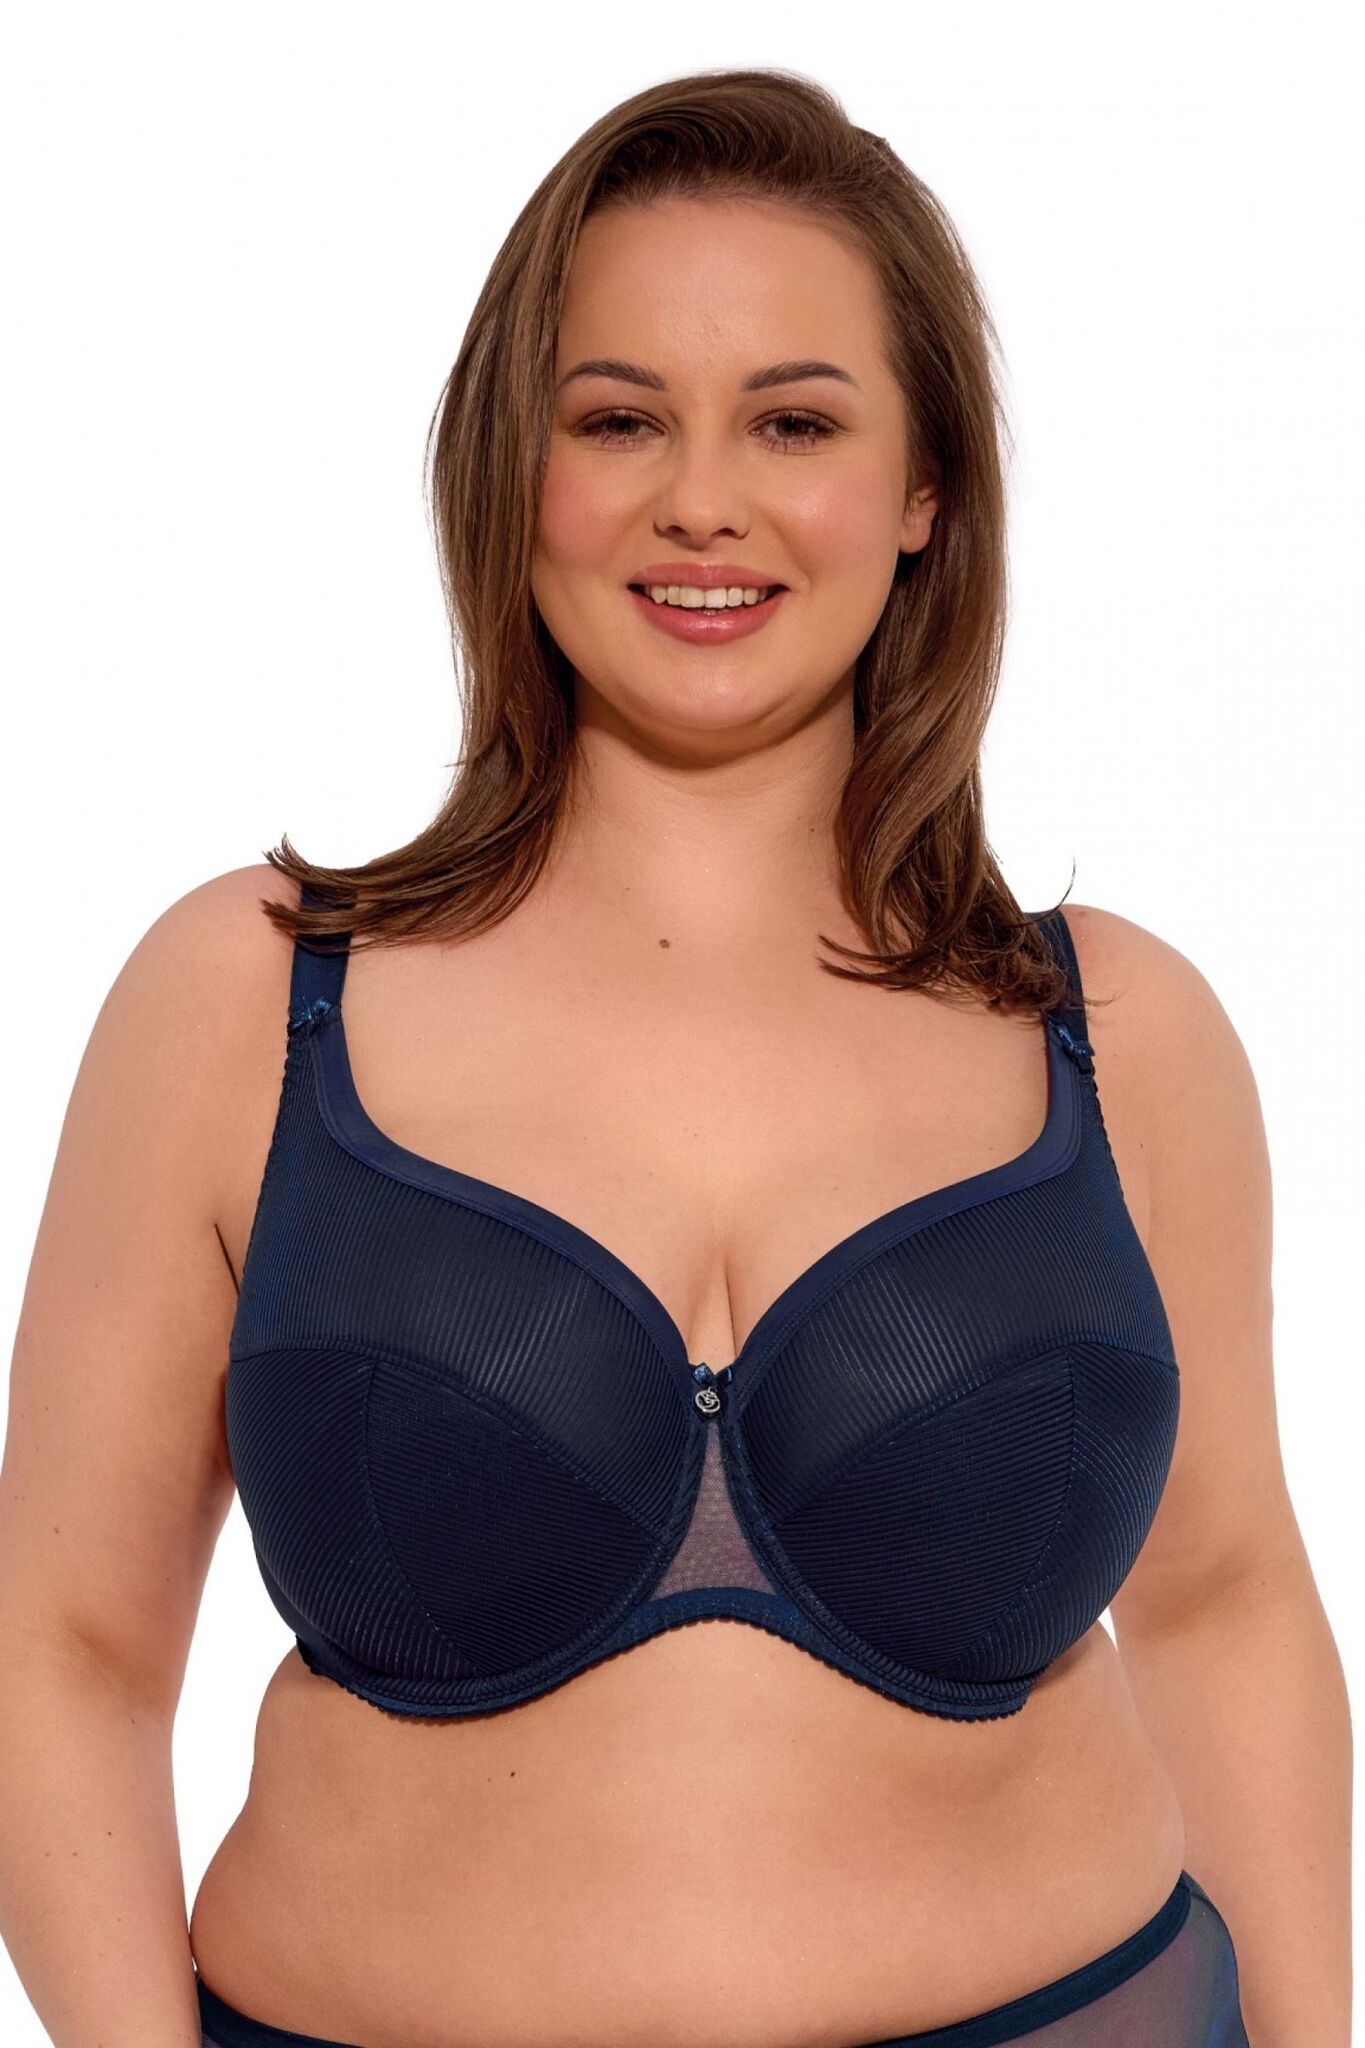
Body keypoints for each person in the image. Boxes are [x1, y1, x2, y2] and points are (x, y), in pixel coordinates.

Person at [0, 64, 1349, 2048]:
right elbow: (65, 1647)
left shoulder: (1116, 1033)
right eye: (616, 417)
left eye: (792, 421)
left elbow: (1223, 1602)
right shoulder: (253, 1000)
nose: (699, 499)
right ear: (511, 473)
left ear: (922, 491)